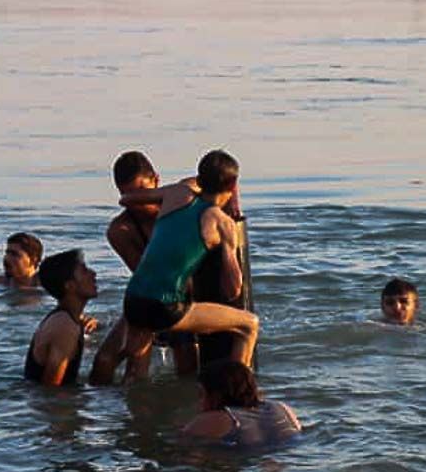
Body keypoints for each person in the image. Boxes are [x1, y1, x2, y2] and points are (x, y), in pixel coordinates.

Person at [111, 149, 259, 380]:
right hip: (165, 306)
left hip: (134, 299)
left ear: (199, 180)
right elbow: (233, 290)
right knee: (249, 324)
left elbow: (126, 199)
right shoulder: (223, 224)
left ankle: (133, 412)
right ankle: (234, 392)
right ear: (231, 186)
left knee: (135, 376)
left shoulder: (176, 193)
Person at [181, 360, 301, 448]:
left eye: (201, 394)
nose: (199, 401)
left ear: (216, 394)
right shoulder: (282, 407)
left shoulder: (215, 418)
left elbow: (182, 449)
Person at [24, 249, 98, 386]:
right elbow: (52, 390)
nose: (93, 274)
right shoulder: (65, 326)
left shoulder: (69, 318)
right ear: (69, 286)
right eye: (84, 271)